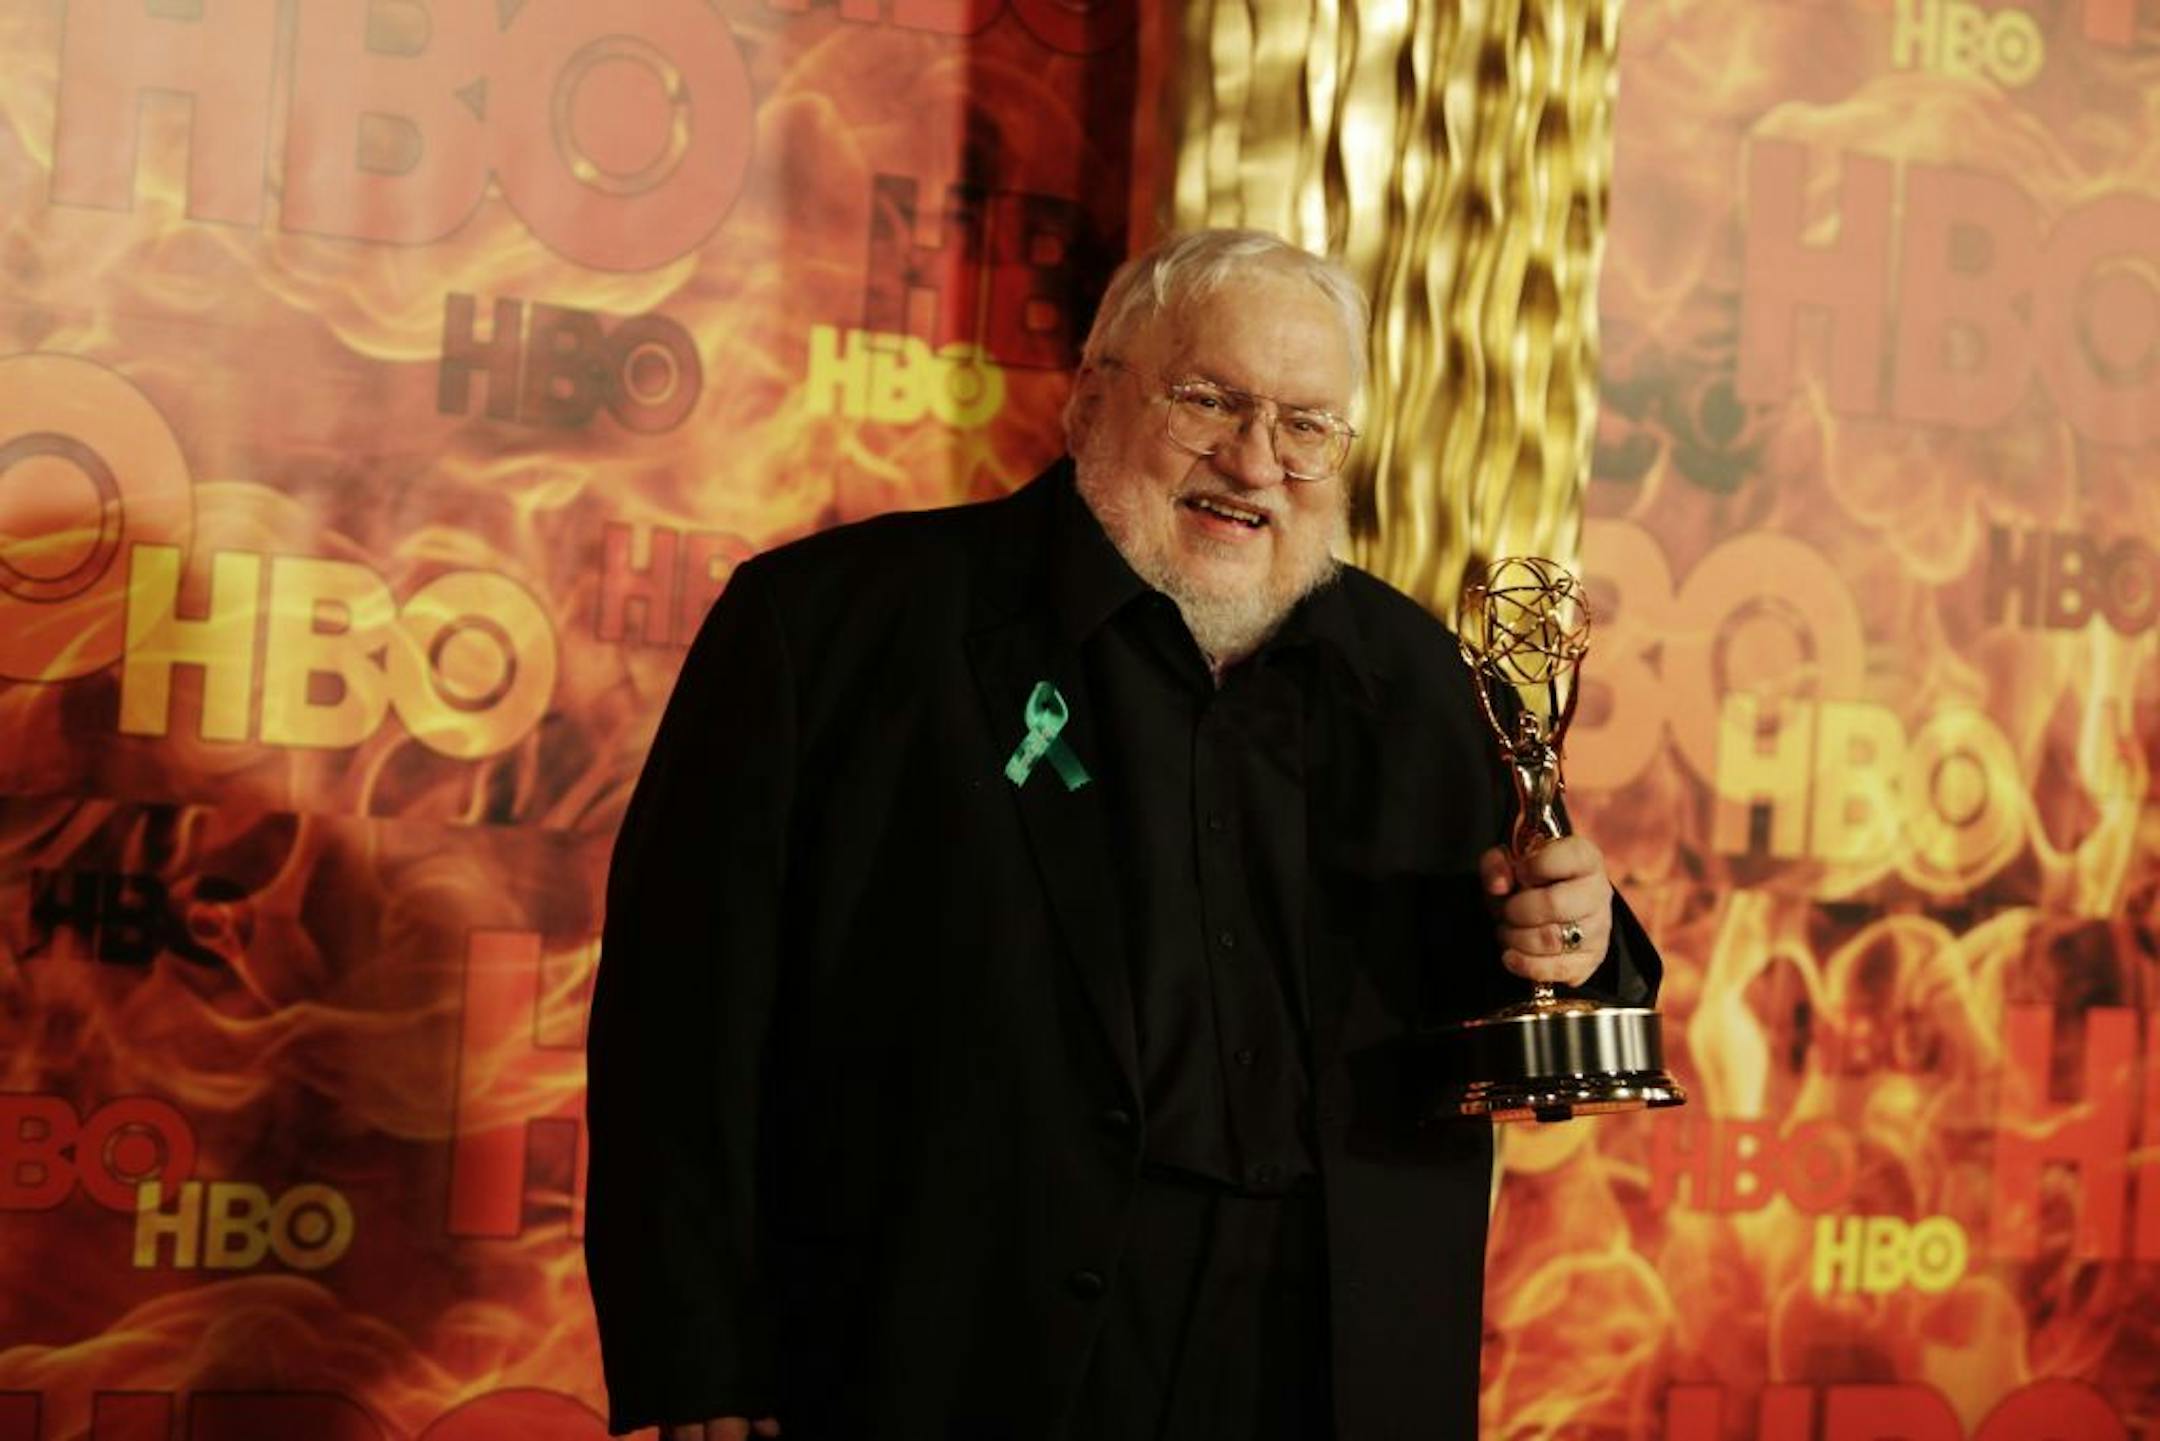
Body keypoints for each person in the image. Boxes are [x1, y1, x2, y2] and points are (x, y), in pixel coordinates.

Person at [584, 229, 1660, 1441]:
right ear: (1091, 397)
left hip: (1327, 1358)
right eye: (1209, 400)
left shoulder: (1421, 677)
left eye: (1308, 425)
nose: (1257, 462)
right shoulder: (833, 629)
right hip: (950, 1352)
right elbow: (679, 1024)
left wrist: (1578, 943)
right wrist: (701, 1360)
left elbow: (1532, 955)